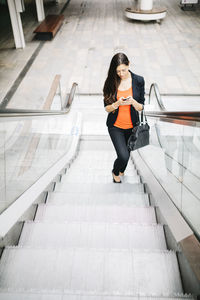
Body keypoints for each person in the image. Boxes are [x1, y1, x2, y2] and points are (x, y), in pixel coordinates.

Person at [103, 53, 145, 183]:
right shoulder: (111, 82)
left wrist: (133, 102)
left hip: (132, 126)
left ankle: (122, 170)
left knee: (126, 156)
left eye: (123, 70)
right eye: (118, 71)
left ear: (128, 65)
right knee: (123, 155)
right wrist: (117, 104)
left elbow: (141, 107)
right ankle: (115, 171)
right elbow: (107, 108)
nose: (121, 73)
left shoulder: (139, 80)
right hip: (115, 126)